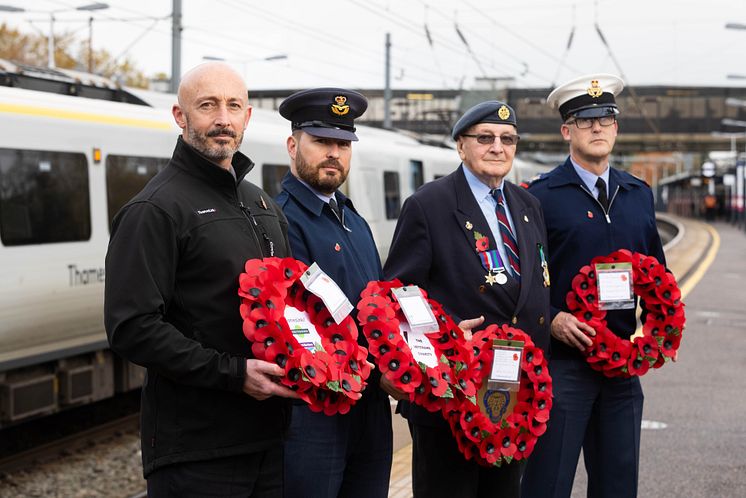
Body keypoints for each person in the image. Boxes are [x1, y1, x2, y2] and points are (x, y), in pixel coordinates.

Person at [104, 62, 298, 497]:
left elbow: (290, 304)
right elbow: (131, 327)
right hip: (197, 452)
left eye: (234, 106)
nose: (223, 120)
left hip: (269, 439)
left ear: (248, 117)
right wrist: (232, 374)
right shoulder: (154, 210)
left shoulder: (261, 204)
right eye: (207, 106)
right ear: (180, 116)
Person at [384, 100, 552, 498]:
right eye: (485, 138)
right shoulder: (429, 205)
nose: (498, 147)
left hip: (513, 395)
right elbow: (398, 294)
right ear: (461, 147)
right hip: (450, 396)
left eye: (508, 139)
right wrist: (441, 338)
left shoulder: (528, 206)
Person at [521, 74, 666, 498]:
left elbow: (658, 272)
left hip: (622, 367)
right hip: (564, 368)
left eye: (605, 118)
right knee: (548, 484)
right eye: (586, 121)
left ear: (616, 128)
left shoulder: (637, 193)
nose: (597, 128)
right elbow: (525, 278)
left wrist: (659, 332)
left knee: (618, 485)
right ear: (567, 131)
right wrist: (552, 319)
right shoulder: (540, 197)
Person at [274, 88, 393, 498]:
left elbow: (376, 306)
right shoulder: (281, 221)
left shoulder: (352, 219)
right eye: (321, 141)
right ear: (293, 145)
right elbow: (295, 326)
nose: (333, 153)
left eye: (343, 143)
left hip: (369, 407)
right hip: (316, 411)